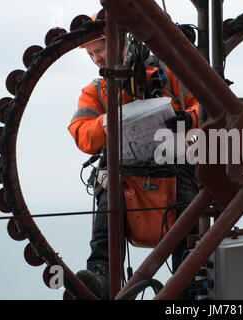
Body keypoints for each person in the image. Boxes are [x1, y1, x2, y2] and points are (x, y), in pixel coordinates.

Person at [68, 13, 200, 300]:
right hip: (124, 176)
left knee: (188, 223)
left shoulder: (172, 75)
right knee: (106, 209)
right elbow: (81, 133)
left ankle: (187, 287)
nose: (97, 59)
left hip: (175, 171)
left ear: (123, 41)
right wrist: (106, 123)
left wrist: (187, 120)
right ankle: (102, 276)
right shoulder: (95, 91)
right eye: (91, 54)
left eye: (99, 50)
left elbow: (206, 106)